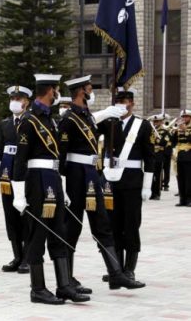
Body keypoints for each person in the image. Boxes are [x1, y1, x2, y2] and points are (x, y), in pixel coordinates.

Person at [59, 75, 145, 291]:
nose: (91, 91)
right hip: (75, 176)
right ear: (80, 92)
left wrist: (108, 114)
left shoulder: (86, 114)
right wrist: (61, 184)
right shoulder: (68, 118)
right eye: (89, 88)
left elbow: (93, 125)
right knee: (72, 228)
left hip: (91, 174)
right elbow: (60, 154)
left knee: (102, 224)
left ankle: (116, 273)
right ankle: (67, 278)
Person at [13, 74, 89, 304]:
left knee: (60, 232)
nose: (57, 94)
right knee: (39, 234)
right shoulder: (29, 120)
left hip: (53, 179)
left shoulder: (51, 119)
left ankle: (64, 285)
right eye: (56, 90)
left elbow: (56, 157)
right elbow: (20, 159)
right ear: (49, 91)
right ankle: (38, 289)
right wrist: (18, 194)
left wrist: (62, 187)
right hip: (37, 181)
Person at [102, 87, 154, 282]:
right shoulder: (108, 123)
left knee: (131, 225)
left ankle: (129, 269)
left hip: (132, 181)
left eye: (126, 101)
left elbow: (150, 158)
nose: (123, 105)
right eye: (119, 101)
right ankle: (115, 269)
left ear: (132, 103)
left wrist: (147, 185)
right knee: (112, 225)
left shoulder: (143, 125)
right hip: (111, 181)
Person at [0, 85, 31, 273]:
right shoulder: (5, 124)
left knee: (26, 216)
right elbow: (0, 148)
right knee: (11, 217)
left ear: (26, 102)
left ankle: (28, 256)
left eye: (18, 99)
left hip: (25, 174)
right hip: (6, 175)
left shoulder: (31, 121)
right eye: (12, 99)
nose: (14, 102)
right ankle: (17, 256)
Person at [148, 114, 170, 200]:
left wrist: (157, 138)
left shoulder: (165, 131)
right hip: (150, 154)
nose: (155, 123)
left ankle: (156, 193)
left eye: (157, 121)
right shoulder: (151, 130)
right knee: (150, 174)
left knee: (157, 175)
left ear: (161, 122)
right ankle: (150, 192)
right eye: (154, 121)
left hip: (158, 155)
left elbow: (163, 143)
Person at [173, 109, 191, 206]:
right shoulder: (179, 128)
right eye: (183, 117)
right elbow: (173, 142)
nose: (184, 118)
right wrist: (175, 131)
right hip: (180, 155)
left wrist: (185, 131)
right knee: (181, 178)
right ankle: (182, 199)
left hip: (189, 155)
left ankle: (189, 199)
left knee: (189, 178)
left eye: (186, 116)